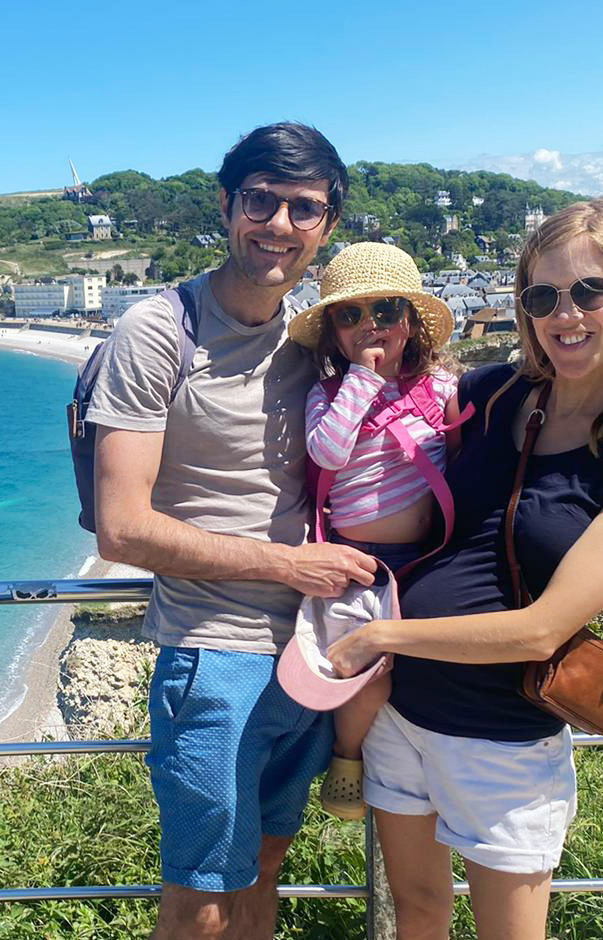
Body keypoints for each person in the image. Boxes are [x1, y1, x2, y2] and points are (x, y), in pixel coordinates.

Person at [326, 198, 603, 940]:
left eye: (590, 291)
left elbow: (544, 629)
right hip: (402, 716)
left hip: (501, 735)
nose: (566, 314)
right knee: (418, 917)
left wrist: (379, 640)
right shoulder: (497, 394)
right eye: (542, 296)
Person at [87, 122, 377, 940]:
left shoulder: (313, 333)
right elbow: (122, 527)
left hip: (314, 653)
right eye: (261, 200)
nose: (279, 225)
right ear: (225, 204)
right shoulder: (157, 330)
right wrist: (290, 565)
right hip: (213, 654)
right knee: (204, 901)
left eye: (304, 208)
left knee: (267, 872)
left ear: (327, 225)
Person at [287, 241, 458, 819]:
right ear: (333, 330)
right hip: (356, 561)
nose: (369, 326)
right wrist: (361, 381)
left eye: (385, 311)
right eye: (350, 315)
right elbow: (328, 450)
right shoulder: (328, 394)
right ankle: (347, 755)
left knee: (427, 672)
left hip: (422, 559)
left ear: (410, 323)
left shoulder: (435, 389)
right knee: (370, 673)